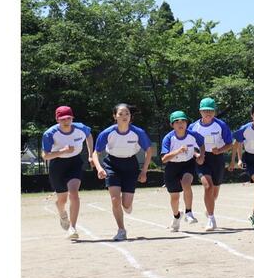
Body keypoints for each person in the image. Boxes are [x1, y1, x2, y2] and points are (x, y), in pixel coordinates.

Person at [92, 103, 153, 241]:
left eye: (127, 114)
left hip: (130, 165)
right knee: (115, 200)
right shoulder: (107, 133)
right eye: (120, 114)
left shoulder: (138, 132)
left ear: (131, 116)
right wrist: (99, 168)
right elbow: (96, 152)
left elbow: (149, 150)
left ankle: (128, 205)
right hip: (112, 164)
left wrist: (144, 171)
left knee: (126, 204)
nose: (124, 116)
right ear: (115, 116)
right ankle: (121, 230)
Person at [41, 106, 94, 240]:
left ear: (72, 118)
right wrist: (63, 151)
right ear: (57, 119)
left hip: (75, 162)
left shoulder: (81, 128)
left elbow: (89, 136)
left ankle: (72, 228)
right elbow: (45, 156)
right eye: (63, 119)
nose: (66, 121)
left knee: (74, 193)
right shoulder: (50, 133)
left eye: (68, 118)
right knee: (62, 200)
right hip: (57, 164)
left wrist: (90, 155)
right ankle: (62, 213)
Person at [189, 97, 233, 231]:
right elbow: (188, 145)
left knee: (214, 192)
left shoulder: (221, 125)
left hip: (217, 158)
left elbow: (229, 143)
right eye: (205, 110)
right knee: (208, 186)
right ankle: (211, 219)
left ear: (215, 111)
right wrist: (197, 155)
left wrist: (219, 150)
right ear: (200, 111)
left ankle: (209, 209)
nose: (208, 113)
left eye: (210, 110)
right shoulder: (193, 127)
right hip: (202, 158)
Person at [161, 110, 205, 232]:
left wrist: (201, 156)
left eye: (183, 121)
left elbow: (202, 144)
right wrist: (178, 151)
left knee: (186, 184)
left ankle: (189, 212)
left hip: (187, 164)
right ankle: (176, 216)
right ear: (172, 125)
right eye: (177, 122)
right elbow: (164, 159)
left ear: (186, 123)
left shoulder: (193, 135)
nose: (180, 124)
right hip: (172, 167)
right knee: (175, 197)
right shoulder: (168, 138)